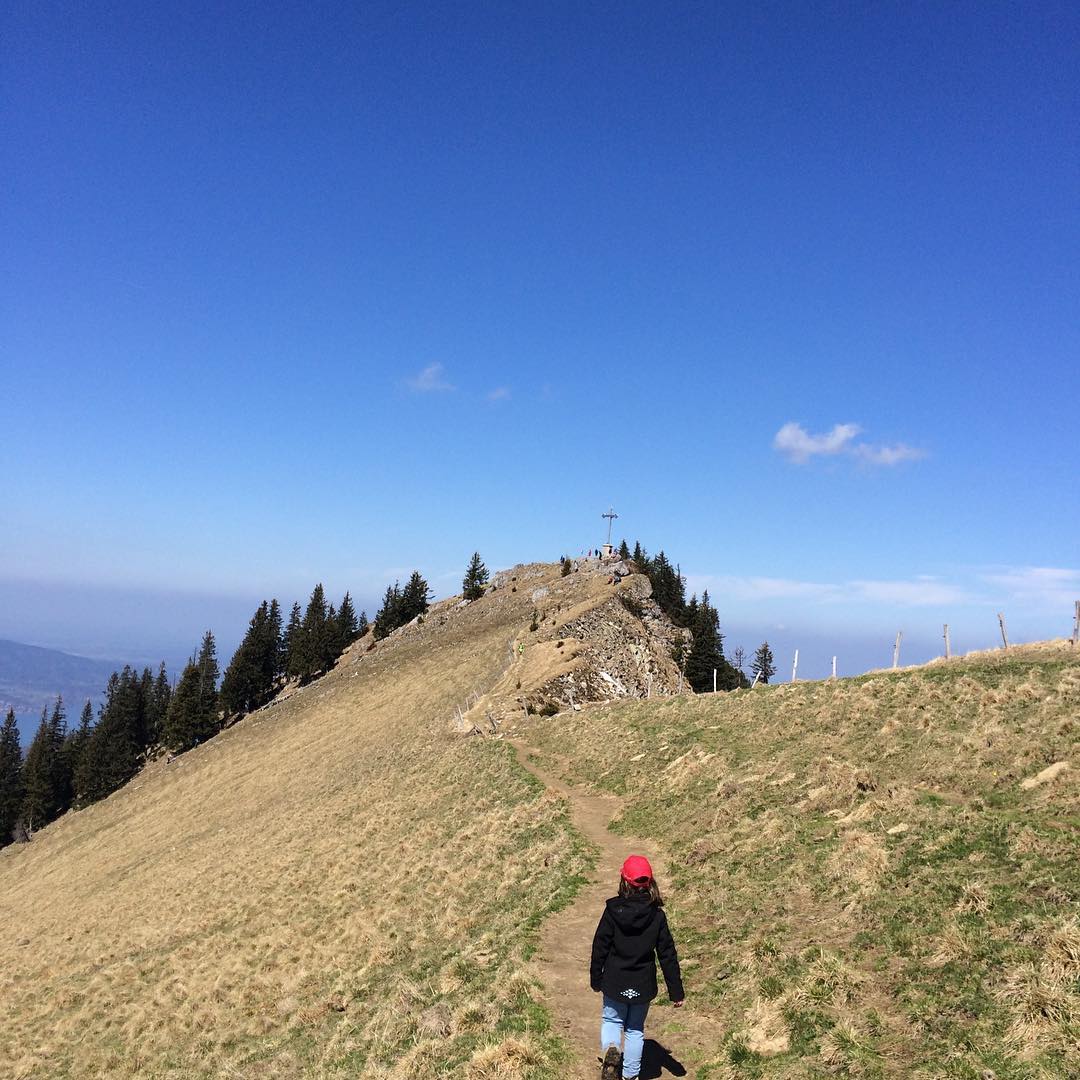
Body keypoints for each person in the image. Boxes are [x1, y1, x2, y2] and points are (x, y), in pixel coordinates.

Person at [590, 855, 684, 1080]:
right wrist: (676, 992)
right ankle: (630, 1076)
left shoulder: (612, 912)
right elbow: (667, 955)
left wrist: (596, 977)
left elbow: (600, 946)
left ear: (624, 881)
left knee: (612, 1021)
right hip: (642, 984)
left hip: (615, 981)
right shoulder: (657, 916)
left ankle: (612, 1048)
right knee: (634, 1030)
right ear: (650, 883)